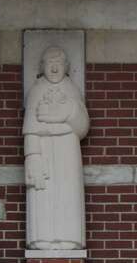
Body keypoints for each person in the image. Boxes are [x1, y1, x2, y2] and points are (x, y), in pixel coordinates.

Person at [23, 46, 90, 250]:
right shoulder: (36, 89)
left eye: (58, 63)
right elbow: (31, 128)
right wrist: (32, 156)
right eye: (50, 63)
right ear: (42, 66)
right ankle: (42, 238)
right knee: (43, 193)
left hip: (67, 149)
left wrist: (65, 113)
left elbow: (82, 125)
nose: (54, 68)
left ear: (66, 67)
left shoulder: (71, 90)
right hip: (42, 150)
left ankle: (69, 238)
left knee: (67, 191)